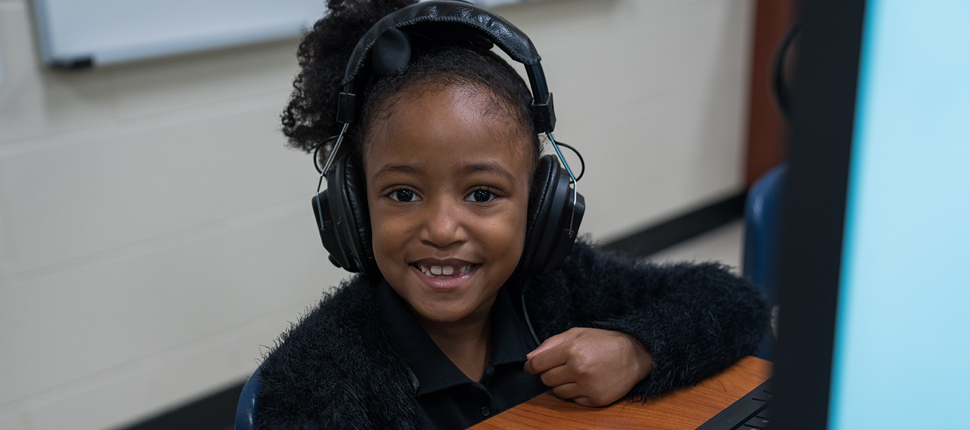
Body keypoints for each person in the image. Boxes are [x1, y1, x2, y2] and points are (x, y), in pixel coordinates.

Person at [255, 1, 770, 429]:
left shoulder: (558, 290)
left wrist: (637, 350)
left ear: (541, 204)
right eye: (403, 194)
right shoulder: (314, 382)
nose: (441, 229)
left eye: (482, 194)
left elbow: (733, 303)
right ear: (353, 207)